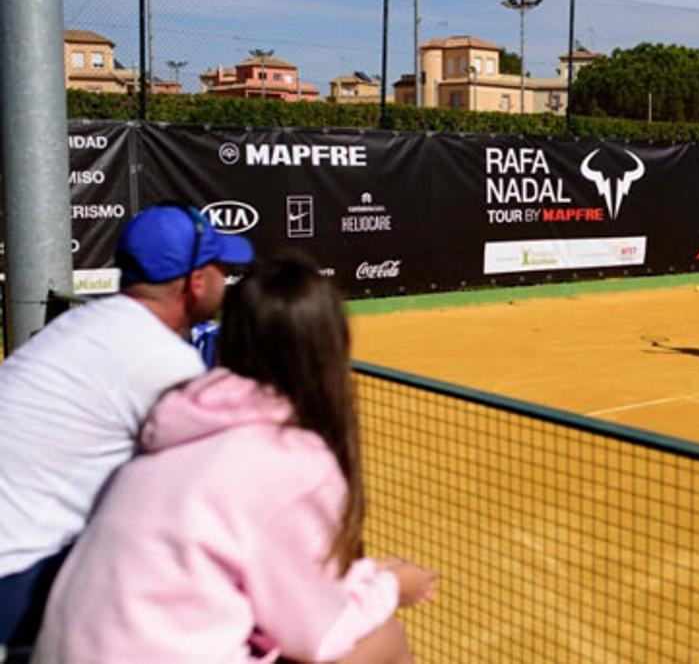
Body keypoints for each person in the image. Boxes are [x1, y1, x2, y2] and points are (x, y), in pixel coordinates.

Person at [34, 257, 437, 663]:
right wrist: (391, 588)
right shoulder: (292, 459)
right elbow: (318, 638)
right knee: (381, 636)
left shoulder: (176, 427)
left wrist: (364, 579)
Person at [0, 204, 253, 648]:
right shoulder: (165, 360)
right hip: (17, 580)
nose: (224, 276)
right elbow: (210, 504)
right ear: (194, 284)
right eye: (219, 265)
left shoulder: (85, 322)